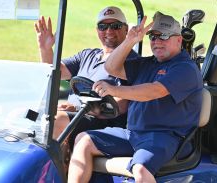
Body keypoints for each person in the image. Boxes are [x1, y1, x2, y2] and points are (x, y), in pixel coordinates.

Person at [67, 12, 203, 183]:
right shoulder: (146, 64)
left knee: (140, 169)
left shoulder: (185, 68)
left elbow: (154, 91)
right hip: (133, 134)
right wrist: (129, 41)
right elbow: (111, 67)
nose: (157, 41)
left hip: (164, 137)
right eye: (153, 37)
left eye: (165, 36)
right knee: (83, 141)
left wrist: (114, 90)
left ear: (179, 40)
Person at [34, 6, 139, 146]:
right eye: (103, 26)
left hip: (103, 122)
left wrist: (78, 109)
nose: (109, 31)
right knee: (23, 115)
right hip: (74, 115)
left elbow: (122, 105)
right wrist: (45, 48)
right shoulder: (87, 55)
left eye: (115, 26)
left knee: (56, 120)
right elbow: (57, 72)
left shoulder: (134, 62)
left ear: (126, 29)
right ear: (97, 31)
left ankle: (56, 166)